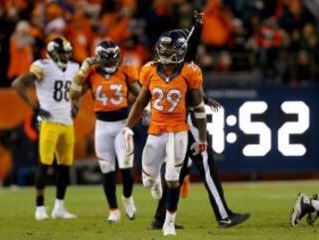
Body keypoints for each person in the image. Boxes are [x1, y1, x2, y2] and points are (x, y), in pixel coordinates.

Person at [150, 12, 250, 230]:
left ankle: (159, 218)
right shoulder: (185, 65)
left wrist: (204, 98)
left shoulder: (163, 67)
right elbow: (191, 48)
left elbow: (184, 81)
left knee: (178, 171)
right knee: (207, 167)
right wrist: (198, 27)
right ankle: (224, 216)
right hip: (186, 124)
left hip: (171, 125)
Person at [123, 30, 208, 236]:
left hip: (178, 130)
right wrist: (128, 126)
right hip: (155, 131)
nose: (167, 52)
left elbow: (198, 108)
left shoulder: (190, 72)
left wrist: (203, 138)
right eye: (165, 47)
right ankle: (154, 183)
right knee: (147, 181)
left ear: (180, 51)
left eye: (172, 48)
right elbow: (141, 102)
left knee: (172, 177)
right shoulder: (150, 70)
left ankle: (169, 222)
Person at [70, 40, 141, 223]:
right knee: (107, 170)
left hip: (122, 126)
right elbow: (74, 94)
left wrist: (146, 110)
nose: (110, 63)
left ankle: (127, 197)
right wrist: (83, 69)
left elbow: (140, 95)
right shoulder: (92, 73)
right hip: (102, 126)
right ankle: (113, 210)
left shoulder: (126, 71)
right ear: (99, 58)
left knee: (126, 170)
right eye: (107, 59)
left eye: (113, 58)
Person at [12, 37, 77, 220]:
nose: (67, 55)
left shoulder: (73, 67)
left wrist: (77, 103)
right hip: (49, 121)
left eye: (68, 52)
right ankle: (40, 208)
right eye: (63, 52)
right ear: (54, 53)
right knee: (44, 164)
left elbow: (82, 86)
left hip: (67, 121)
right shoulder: (43, 66)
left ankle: (59, 207)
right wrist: (35, 107)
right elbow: (18, 84)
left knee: (65, 166)